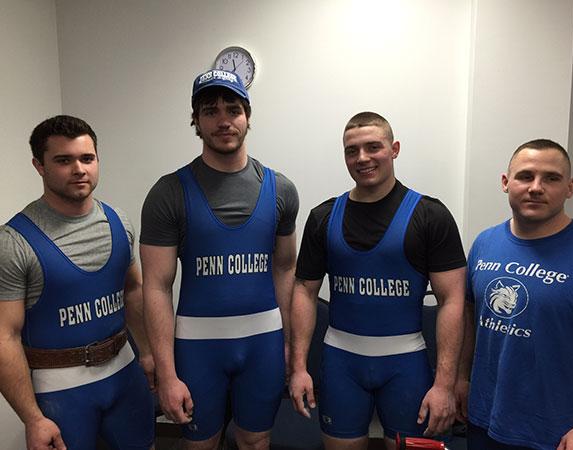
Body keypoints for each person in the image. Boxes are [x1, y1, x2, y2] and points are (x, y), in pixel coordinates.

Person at [140, 69, 299, 450]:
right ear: (196, 120)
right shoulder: (168, 193)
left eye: (233, 109)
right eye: (210, 111)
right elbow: (157, 287)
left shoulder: (281, 189)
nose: (223, 120)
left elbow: (285, 267)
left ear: (247, 116)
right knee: (200, 443)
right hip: (198, 349)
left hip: (263, 344)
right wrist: (167, 373)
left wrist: (290, 344)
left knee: (256, 440)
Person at [289, 111, 466, 450]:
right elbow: (304, 291)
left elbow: (452, 300)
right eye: (352, 150)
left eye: (373, 147)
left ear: (394, 149)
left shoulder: (431, 216)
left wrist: (445, 385)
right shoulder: (323, 217)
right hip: (341, 363)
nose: (362, 158)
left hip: (407, 366)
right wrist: (298, 368)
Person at [0, 115, 155, 449]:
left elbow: (133, 291)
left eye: (87, 158)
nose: (79, 169)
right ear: (39, 166)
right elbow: (4, 336)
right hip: (61, 391)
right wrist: (32, 418)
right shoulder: (13, 242)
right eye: (63, 160)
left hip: (125, 372)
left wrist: (147, 353)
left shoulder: (119, 222)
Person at [456, 139, 573, 450]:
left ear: (570, 187)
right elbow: (468, 315)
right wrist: (461, 379)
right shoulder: (484, 243)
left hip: (559, 433)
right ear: (505, 183)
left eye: (551, 178)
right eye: (525, 176)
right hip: (484, 421)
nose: (536, 187)